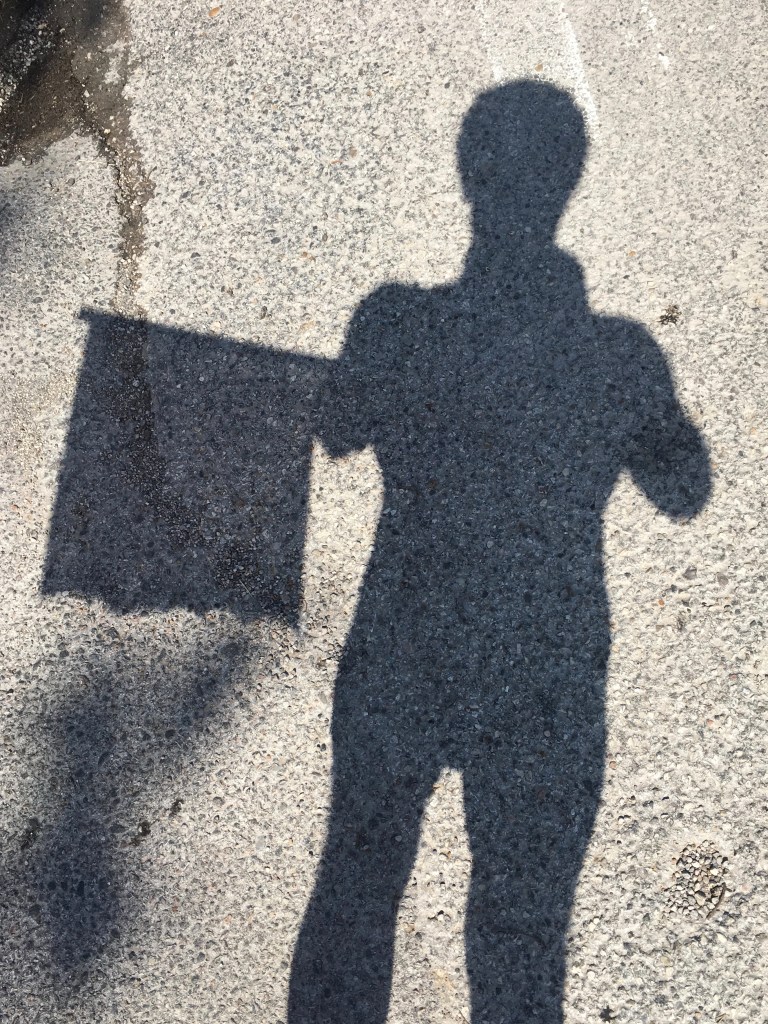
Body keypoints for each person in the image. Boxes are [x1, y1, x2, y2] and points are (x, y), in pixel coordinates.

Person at [289, 80, 710, 1023]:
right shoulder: (621, 355)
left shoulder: (395, 322)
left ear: (469, 179)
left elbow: (336, 428)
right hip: (545, 675)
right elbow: (684, 490)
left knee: (356, 893)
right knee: (520, 937)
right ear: (567, 186)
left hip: (401, 652)